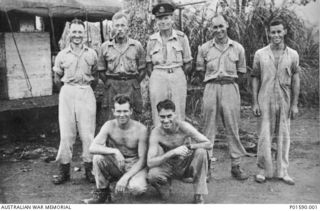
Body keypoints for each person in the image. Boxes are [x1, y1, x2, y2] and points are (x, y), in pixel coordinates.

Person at [196, 15, 249, 180]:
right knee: (208, 129)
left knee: (232, 127)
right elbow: (199, 70)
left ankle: (236, 165)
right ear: (211, 29)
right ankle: (207, 167)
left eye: (221, 26)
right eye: (215, 27)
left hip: (230, 87)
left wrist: (228, 82)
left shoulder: (237, 48)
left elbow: (241, 72)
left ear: (227, 25)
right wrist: (212, 81)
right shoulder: (204, 48)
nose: (218, 30)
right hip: (211, 87)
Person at [252, 19, 300, 185]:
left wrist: (294, 104)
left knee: (284, 135)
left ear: (284, 31)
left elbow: (295, 79)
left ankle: (283, 171)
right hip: (265, 97)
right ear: (269, 33)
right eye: (273, 32)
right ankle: (262, 170)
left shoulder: (293, 54)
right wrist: (255, 102)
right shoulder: (260, 54)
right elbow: (255, 78)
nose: (276, 35)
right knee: (264, 135)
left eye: (279, 31)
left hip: (284, 98)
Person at [52, 19, 98, 185]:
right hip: (67, 92)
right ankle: (64, 171)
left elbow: (95, 77)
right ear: (69, 33)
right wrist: (68, 90)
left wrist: (83, 87)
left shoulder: (91, 54)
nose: (77, 35)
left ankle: (90, 171)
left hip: (86, 91)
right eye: (74, 32)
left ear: (84, 34)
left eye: (80, 32)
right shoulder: (62, 55)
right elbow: (57, 78)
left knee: (87, 134)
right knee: (66, 134)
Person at [83, 94, 148, 203]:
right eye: (118, 111)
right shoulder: (109, 125)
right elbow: (92, 147)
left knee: (137, 189)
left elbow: (143, 160)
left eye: (125, 111)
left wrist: (125, 177)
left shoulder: (141, 129)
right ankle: (102, 191)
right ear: (113, 111)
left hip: (134, 165)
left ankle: (122, 183)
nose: (122, 115)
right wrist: (115, 151)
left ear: (131, 111)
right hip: (117, 163)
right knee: (98, 157)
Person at [147, 99, 212, 204]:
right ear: (158, 116)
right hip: (167, 164)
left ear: (175, 115)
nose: (166, 120)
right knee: (152, 175)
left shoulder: (183, 127)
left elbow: (208, 144)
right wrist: (173, 152)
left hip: (183, 162)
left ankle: (198, 194)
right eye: (162, 117)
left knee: (201, 152)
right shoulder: (156, 132)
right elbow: (150, 162)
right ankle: (166, 185)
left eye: (169, 116)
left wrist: (190, 146)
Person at [146, 1, 192, 126]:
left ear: (172, 19)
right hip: (158, 76)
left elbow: (188, 63)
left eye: (166, 18)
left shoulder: (181, 37)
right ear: (156, 21)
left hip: (177, 75)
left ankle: (179, 141)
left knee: (178, 110)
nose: (163, 21)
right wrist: (158, 76)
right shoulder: (152, 40)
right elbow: (149, 65)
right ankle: (160, 142)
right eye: (159, 18)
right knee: (158, 109)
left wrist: (178, 75)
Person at [97, 12, 146, 123]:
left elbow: (142, 70)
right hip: (112, 86)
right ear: (112, 27)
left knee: (133, 118)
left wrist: (133, 82)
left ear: (127, 27)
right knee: (111, 118)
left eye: (122, 25)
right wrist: (111, 82)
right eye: (117, 26)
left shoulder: (137, 46)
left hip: (131, 86)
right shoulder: (104, 47)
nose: (120, 29)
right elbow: (101, 72)